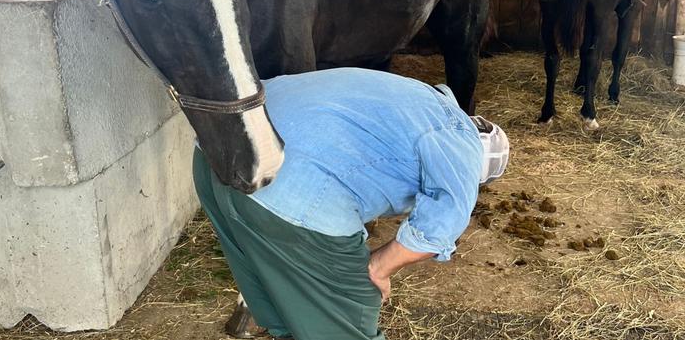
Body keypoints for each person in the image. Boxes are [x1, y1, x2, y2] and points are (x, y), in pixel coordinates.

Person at [193, 68, 509, 340]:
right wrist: (379, 267)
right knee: (355, 297)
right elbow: (439, 228)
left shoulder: (422, 100)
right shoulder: (462, 142)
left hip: (217, 155)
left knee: (283, 299)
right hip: (287, 185)